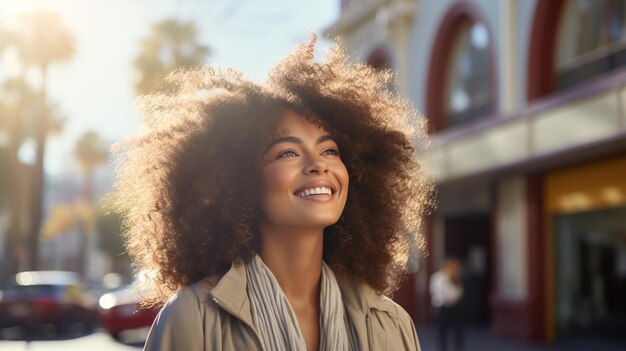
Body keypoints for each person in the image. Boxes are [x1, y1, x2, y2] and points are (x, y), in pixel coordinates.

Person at [113, 35, 433, 351]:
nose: (318, 165)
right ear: (240, 182)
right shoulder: (190, 319)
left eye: (330, 151)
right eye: (287, 153)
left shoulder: (392, 325)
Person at [429, 257, 464, 351]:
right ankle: (442, 347)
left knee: (458, 329)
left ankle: (458, 347)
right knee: (442, 330)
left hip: (454, 306)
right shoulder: (439, 277)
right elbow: (438, 291)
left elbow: (458, 292)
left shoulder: (455, 277)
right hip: (442, 306)